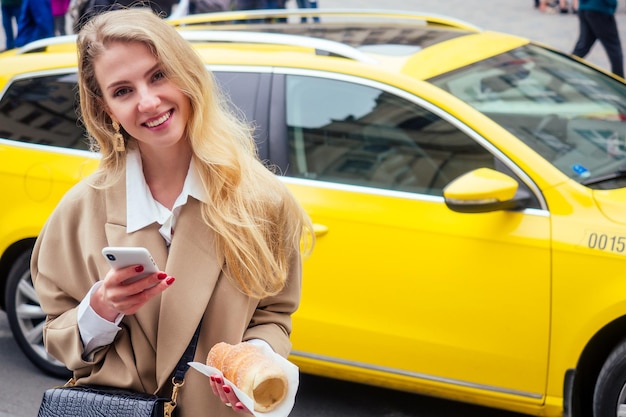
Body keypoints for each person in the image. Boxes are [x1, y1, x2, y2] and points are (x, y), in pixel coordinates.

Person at [31, 8, 313, 417]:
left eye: (159, 75)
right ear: (106, 107)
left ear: (187, 73)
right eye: (123, 91)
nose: (148, 102)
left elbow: (273, 314)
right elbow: (59, 336)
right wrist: (104, 306)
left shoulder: (263, 201)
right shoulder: (79, 210)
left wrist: (253, 364)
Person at [572, 0, 624, 78]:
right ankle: (620, 82)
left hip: (585, 8)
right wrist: (612, 5)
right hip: (600, 8)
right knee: (614, 49)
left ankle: (560, 71)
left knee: (582, 47)